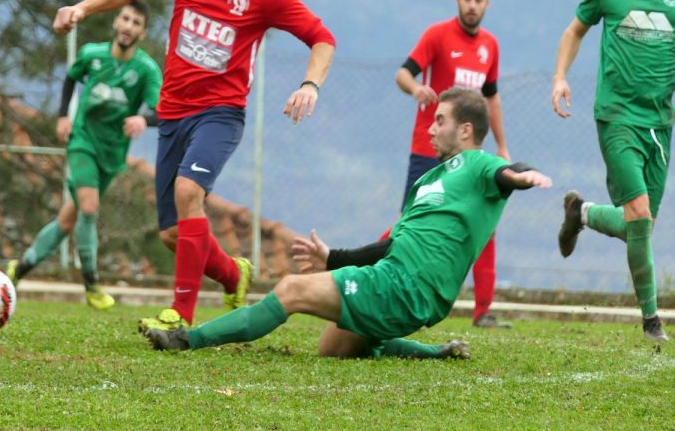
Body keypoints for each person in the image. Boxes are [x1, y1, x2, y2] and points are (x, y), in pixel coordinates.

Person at [52, 0, 336, 332]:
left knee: (189, 193)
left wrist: (310, 84)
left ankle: (179, 315)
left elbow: (322, 38)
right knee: (173, 234)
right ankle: (231, 273)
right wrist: (83, 8)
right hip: (172, 113)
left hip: (220, 114)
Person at [146, 88, 552, 356]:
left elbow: (507, 173)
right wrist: (333, 257)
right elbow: (394, 243)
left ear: (465, 130)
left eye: (440, 120)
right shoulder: (430, 179)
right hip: (397, 278)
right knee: (332, 350)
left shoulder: (479, 164)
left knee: (290, 289)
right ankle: (438, 352)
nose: (430, 128)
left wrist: (523, 175)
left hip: (407, 286)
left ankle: (188, 340)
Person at [552, 0, 673, 343]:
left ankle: (579, 213)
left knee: (638, 226)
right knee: (639, 214)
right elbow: (575, 30)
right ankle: (651, 322)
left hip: (660, 125)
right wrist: (561, 77)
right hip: (617, 116)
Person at [7, 1, 162, 310]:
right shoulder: (92, 54)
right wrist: (63, 116)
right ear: (116, 22)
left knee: (69, 219)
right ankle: (91, 283)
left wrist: (144, 119)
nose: (128, 26)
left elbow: (160, 108)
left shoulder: (145, 70)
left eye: (136, 23)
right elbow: (70, 77)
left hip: (112, 152)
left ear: (142, 33)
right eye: (125, 18)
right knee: (89, 208)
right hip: (82, 142)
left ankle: (18, 268)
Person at [393, 0, 512, 329]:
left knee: (484, 223)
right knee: (410, 223)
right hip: (429, 148)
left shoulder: (491, 45)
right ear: (457, 0)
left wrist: (502, 146)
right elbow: (403, 73)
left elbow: (491, 98)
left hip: (470, 156)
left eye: (479, 0)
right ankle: (384, 282)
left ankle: (483, 311)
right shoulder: (437, 35)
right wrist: (415, 89)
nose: (472, 5)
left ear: (486, 4)